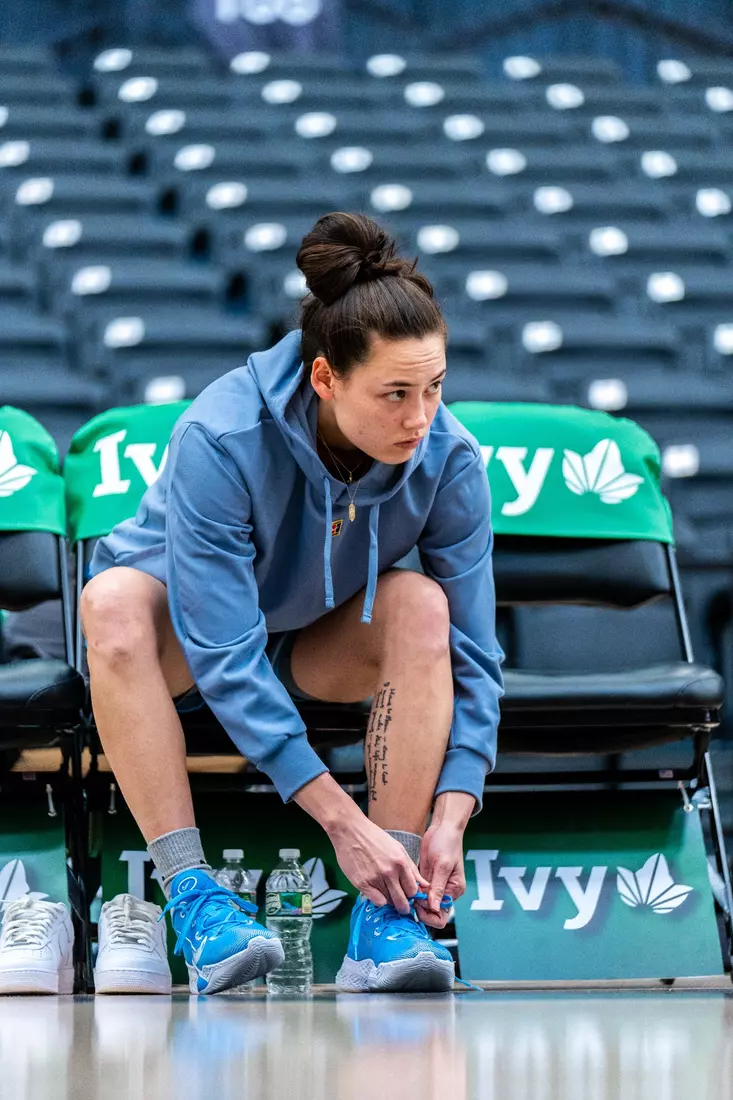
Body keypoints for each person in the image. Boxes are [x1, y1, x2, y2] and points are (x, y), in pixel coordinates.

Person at [80, 211, 504, 994]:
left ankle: (389, 912)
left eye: (436, 388)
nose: (420, 417)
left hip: (312, 636)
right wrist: (343, 823)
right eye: (395, 394)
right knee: (108, 603)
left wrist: (454, 812)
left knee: (419, 606)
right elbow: (223, 652)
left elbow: (476, 653)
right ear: (324, 379)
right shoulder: (222, 433)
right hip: (188, 636)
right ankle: (195, 900)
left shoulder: (448, 458)